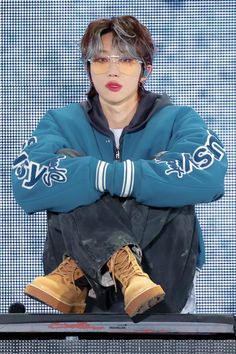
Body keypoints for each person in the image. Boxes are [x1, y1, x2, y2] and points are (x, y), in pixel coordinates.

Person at [12, 15, 227, 318]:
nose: (112, 70)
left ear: (145, 70)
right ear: (89, 69)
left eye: (126, 59)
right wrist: (112, 174)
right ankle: (115, 267)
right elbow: (26, 186)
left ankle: (128, 274)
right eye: (101, 59)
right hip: (83, 289)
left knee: (159, 181)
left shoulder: (180, 120)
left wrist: (107, 177)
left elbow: (210, 179)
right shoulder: (59, 122)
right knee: (80, 168)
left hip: (159, 281)